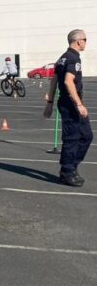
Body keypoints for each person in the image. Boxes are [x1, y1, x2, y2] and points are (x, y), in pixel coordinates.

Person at [44, 29, 93, 187]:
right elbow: (67, 81)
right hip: (71, 105)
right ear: (78, 41)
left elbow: (54, 81)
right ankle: (67, 172)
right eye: (85, 39)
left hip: (69, 103)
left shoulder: (62, 58)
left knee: (86, 136)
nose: (86, 42)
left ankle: (71, 166)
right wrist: (78, 104)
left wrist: (49, 103)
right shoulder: (73, 58)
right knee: (72, 138)